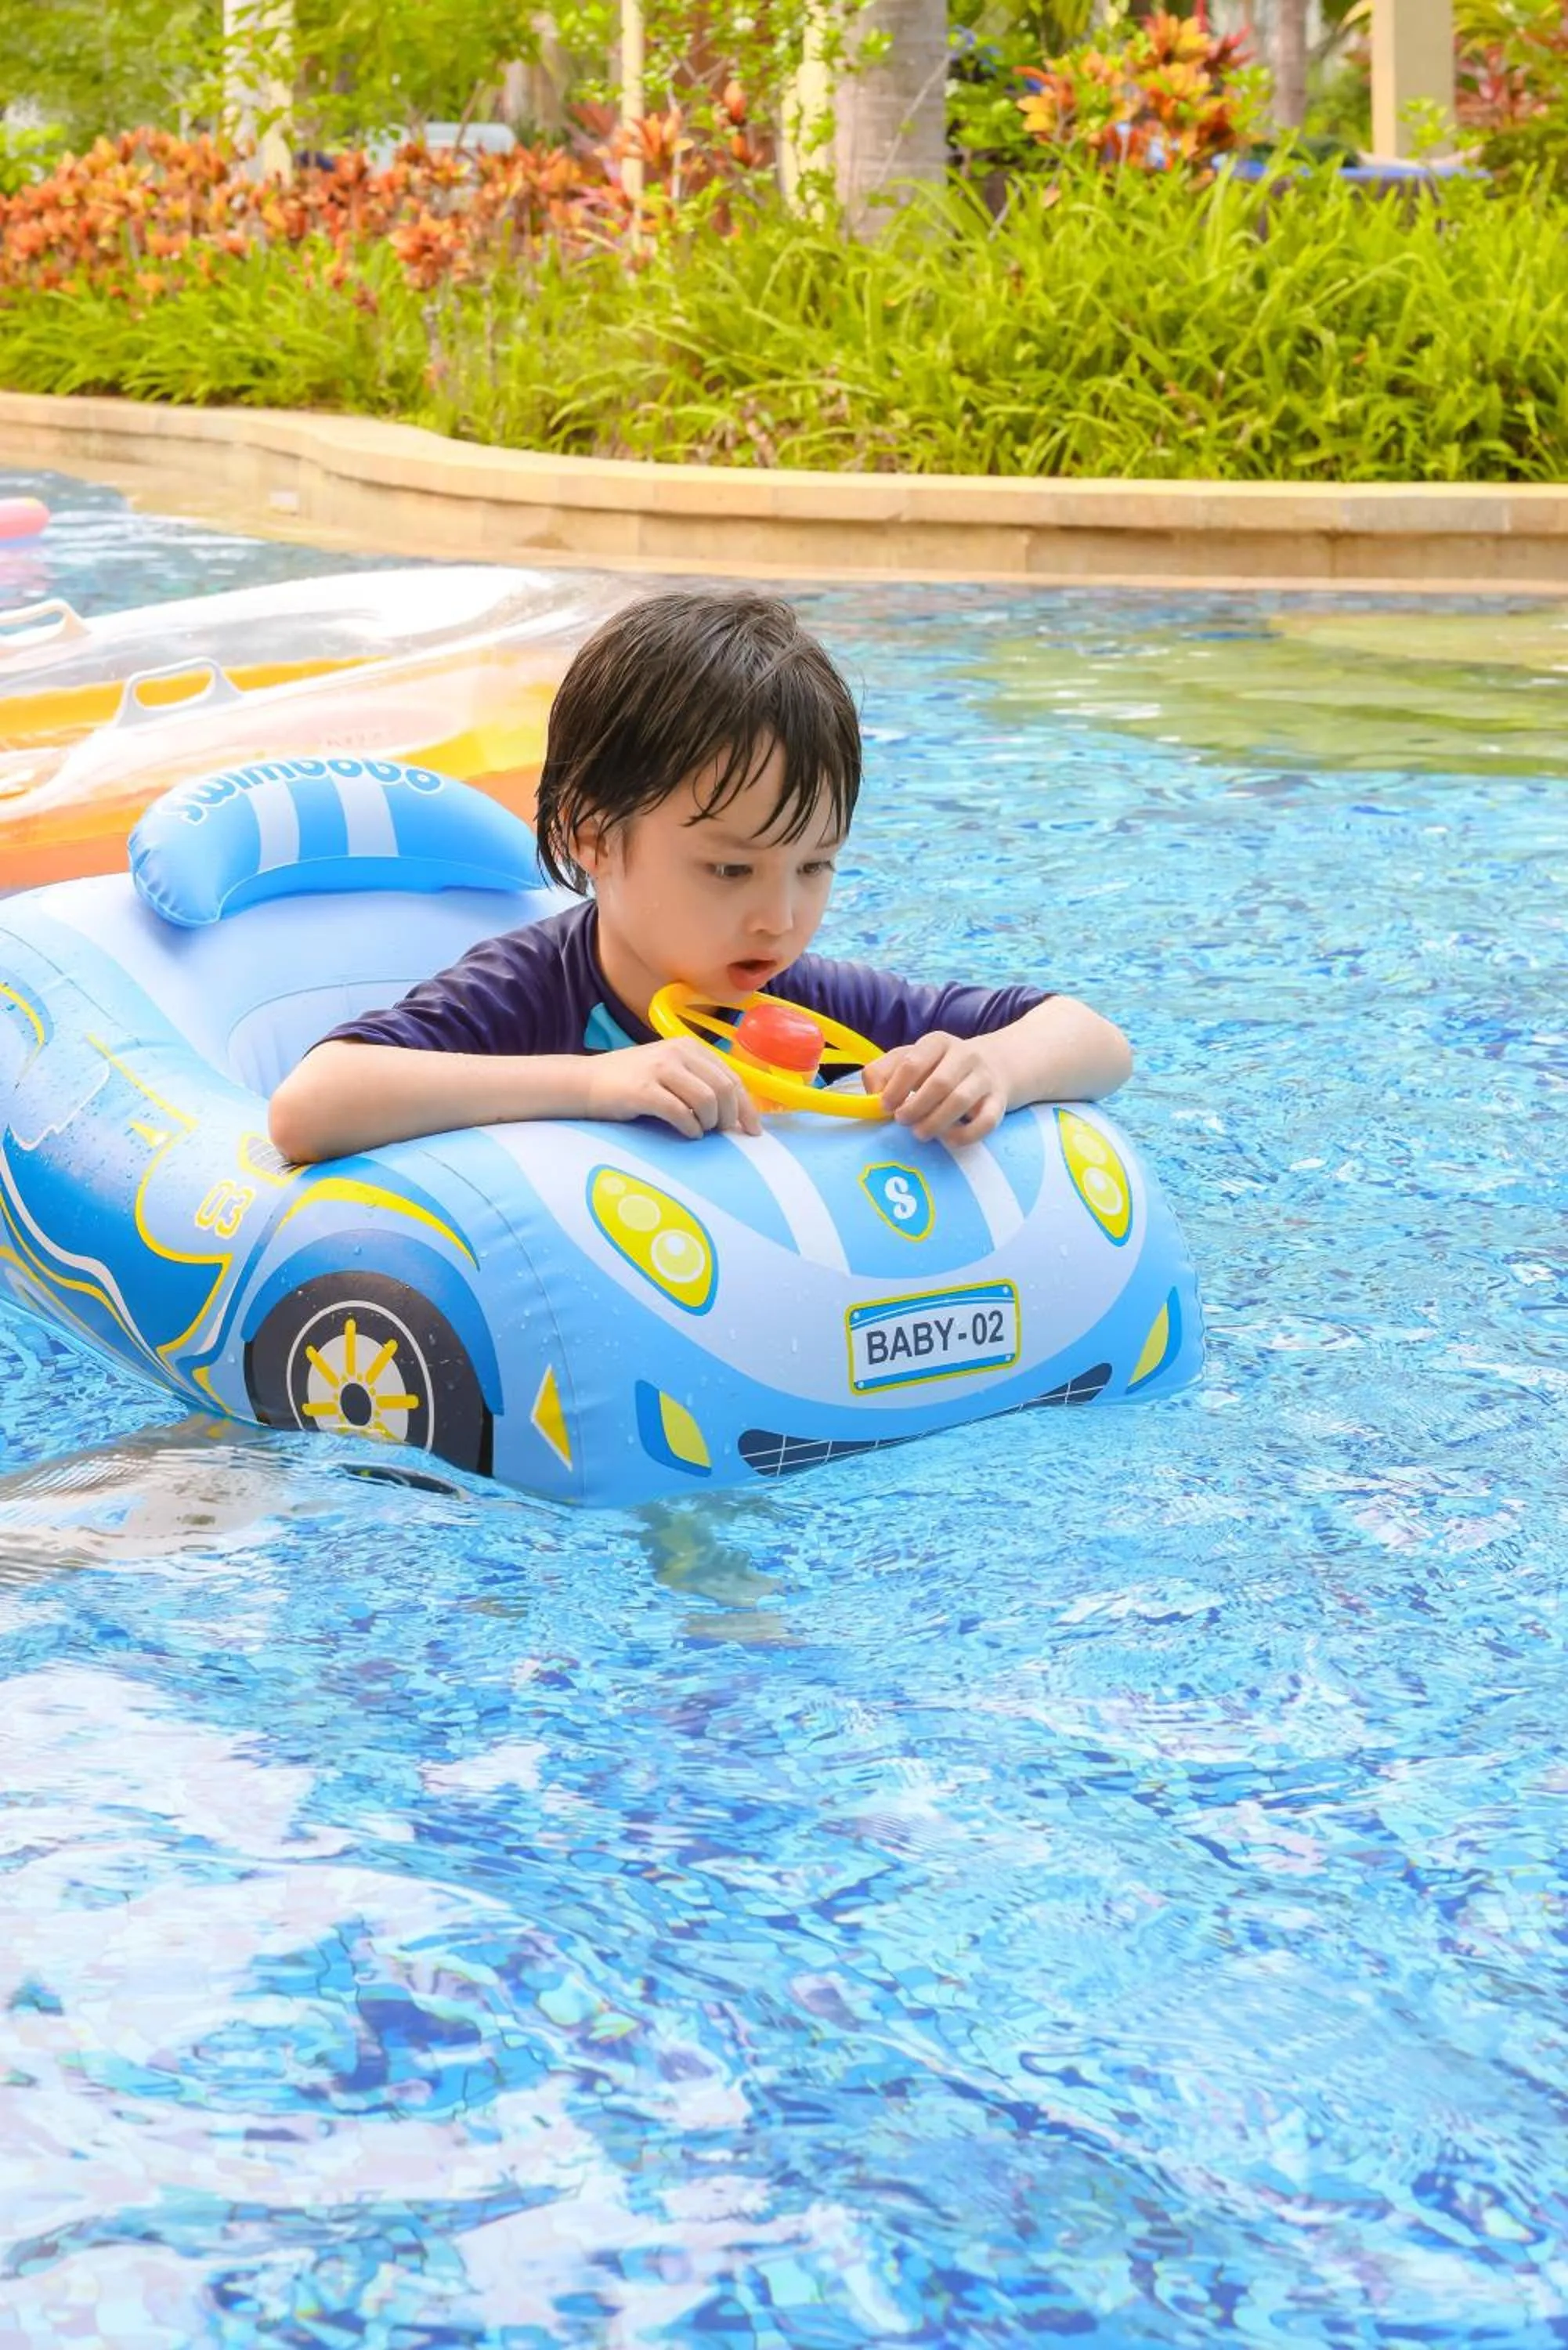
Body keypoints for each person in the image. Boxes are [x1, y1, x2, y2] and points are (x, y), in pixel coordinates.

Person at [267, 590, 1131, 1167]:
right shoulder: (530, 993)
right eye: (730, 868)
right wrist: (595, 1084)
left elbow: (1093, 1038)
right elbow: (311, 1105)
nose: (778, 919)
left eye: (814, 865)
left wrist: (987, 1070)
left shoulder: (808, 1012)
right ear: (592, 835)